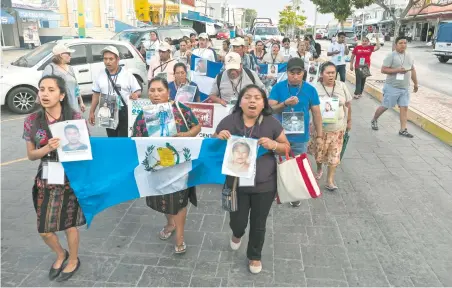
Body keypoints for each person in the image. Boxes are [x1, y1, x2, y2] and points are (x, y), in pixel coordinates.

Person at [214, 84, 290, 274]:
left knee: (258, 223)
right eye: (248, 97)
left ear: (263, 102)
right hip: (235, 184)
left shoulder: (271, 123)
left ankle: (254, 256)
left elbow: (286, 147)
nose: (252, 101)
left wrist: (274, 144)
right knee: (237, 221)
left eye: (257, 97)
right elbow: (213, 145)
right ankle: (237, 234)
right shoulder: (230, 121)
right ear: (240, 101)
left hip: (264, 185)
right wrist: (218, 136)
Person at [23, 75, 85, 282]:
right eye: (42, 89)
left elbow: (85, 151)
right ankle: (61, 254)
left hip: (70, 178)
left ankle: (74, 259)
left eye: (51, 90)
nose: (45, 94)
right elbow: (31, 155)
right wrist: (47, 147)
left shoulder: (75, 118)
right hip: (46, 178)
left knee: (70, 224)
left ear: (62, 94)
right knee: (44, 230)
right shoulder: (32, 120)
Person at [132, 78, 201, 253]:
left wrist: (186, 135)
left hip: (179, 168)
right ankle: (170, 224)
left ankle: (180, 237)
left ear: (168, 92)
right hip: (157, 167)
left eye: (160, 90)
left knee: (178, 202)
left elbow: (197, 127)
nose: (155, 94)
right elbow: (135, 138)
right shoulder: (143, 114)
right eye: (152, 90)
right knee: (163, 199)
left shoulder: (180, 109)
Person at [269, 57, 323, 207]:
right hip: (279, 136)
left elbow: (317, 114)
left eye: (298, 73)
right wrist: (285, 104)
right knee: (278, 164)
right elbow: (270, 108)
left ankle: (295, 194)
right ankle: (277, 190)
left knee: (297, 165)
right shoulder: (278, 88)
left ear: (303, 73)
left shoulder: (310, 89)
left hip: (300, 137)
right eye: (292, 73)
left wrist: (319, 136)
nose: (295, 76)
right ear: (287, 73)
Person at [309, 61, 352, 190]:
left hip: (337, 128)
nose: (331, 75)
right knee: (319, 154)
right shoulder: (315, 88)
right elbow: (309, 106)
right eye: (328, 73)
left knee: (334, 155)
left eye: (333, 72)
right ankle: (319, 167)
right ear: (322, 74)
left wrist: (349, 121)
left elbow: (348, 104)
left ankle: (330, 180)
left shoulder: (341, 86)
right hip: (320, 130)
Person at [371, 36, 418, 138]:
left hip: (405, 87)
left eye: (405, 43)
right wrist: (397, 70)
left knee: (404, 107)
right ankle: (374, 119)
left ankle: (403, 129)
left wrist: (415, 83)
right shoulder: (391, 56)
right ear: (396, 45)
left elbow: (412, 70)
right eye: (400, 43)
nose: (403, 45)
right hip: (392, 87)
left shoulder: (409, 56)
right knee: (385, 106)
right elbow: (383, 70)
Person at [89, 46, 141, 137]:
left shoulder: (127, 74)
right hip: (107, 108)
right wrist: (91, 112)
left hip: (124, 110)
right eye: (105, 59)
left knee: (123, 138)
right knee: (111, 137)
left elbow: (137, 90)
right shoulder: (100, 75)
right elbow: (96, 94)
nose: (107, 62)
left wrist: (135, 94)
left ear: (118, 59)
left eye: (111, 59)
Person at [42, 43, 85, 113]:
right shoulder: (50, 68)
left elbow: (76, 87)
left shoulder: (70, 68)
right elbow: (44, 88)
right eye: (68, 54)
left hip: (74, 107)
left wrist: (81, 102)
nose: (70, 56)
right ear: (61, 55)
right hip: (58, 108)